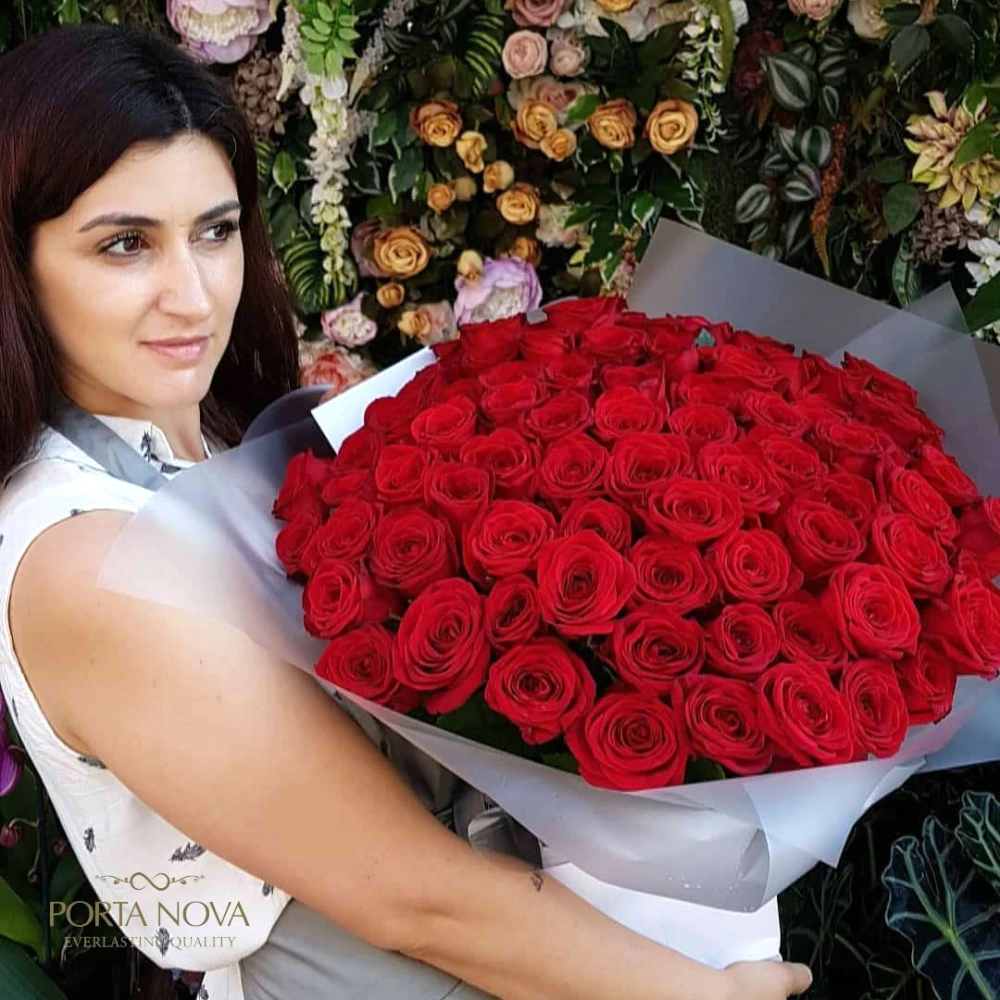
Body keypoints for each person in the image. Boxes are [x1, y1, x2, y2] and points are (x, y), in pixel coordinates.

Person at [0, 23, 813, 1000]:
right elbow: (412, 897)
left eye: (214, 231)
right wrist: (707, 994)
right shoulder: (85, 555)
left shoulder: (210, 442)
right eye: (126, 244)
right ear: (18, 262)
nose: (194, 294)